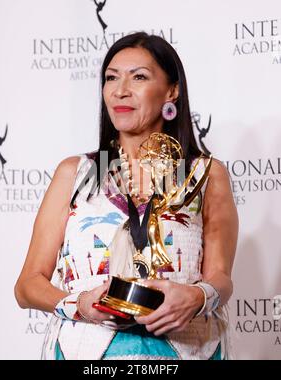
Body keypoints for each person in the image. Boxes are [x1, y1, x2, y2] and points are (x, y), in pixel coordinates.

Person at [14, 32, 238, 360]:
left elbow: (221, 278)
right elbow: (27, 286)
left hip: (186, 348)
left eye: (139, 77)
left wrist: (197, 297)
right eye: (111, 78)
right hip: (85, 351)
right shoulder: (76, 172)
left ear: (171, 90)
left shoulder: (204, 173)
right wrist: (78, 305)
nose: (120, 90)